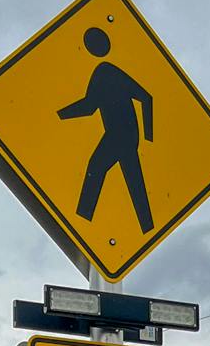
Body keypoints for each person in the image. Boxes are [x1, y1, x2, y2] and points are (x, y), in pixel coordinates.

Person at [57, 27, 155, 234]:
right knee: (134, 182)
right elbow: (90, 107)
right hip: (126, 135)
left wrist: (150, 136)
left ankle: (83, 221)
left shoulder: (106, 71)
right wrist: (60, 114)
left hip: (120, 134)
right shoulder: (104, 71)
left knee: (96, 168)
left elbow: (146, 97)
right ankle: (147, 226)